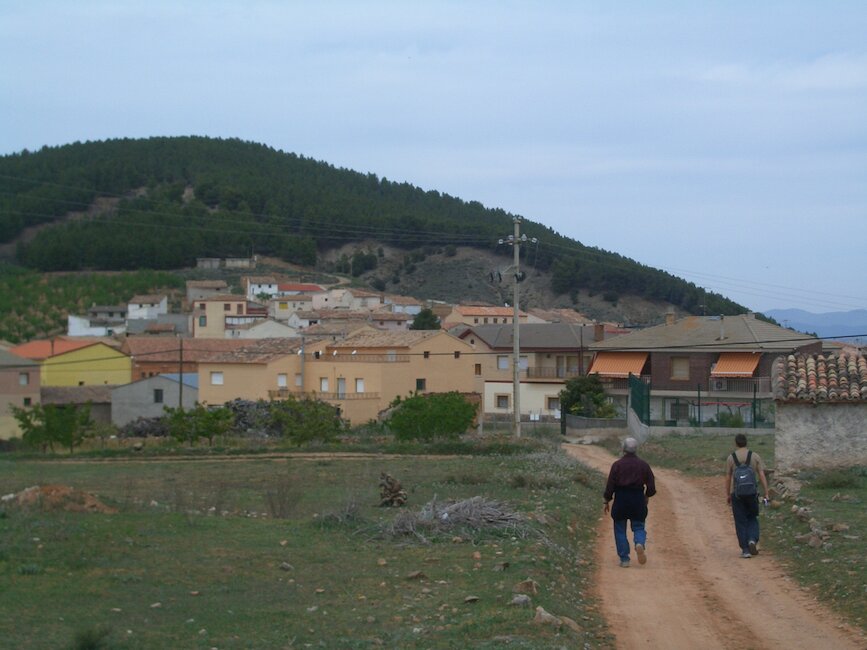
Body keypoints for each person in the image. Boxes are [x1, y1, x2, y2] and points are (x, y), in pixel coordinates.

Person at [604, 437, 656, 568]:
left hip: (621, 499)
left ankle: (624, 559)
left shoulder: (617, 465)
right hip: (638, 499)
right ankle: (639, 542)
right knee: (639, 526)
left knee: (620, 529)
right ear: (636, 450)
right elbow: (651, 486)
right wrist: (647, 495)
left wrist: (607, 499)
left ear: (623, 450)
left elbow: (610, 485)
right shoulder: (643, 465)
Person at [726, 433, 770, 558]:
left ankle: (745, 549)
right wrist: (766, 492)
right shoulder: (754, 456)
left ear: (736, 443)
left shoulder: (731, 458)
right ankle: (752, 539)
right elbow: (761, 475)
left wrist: (728, 494)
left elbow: (728, 478)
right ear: (746, 442)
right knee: (752, 517)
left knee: (740, 521)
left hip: (737, 494)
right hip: (752, 493)